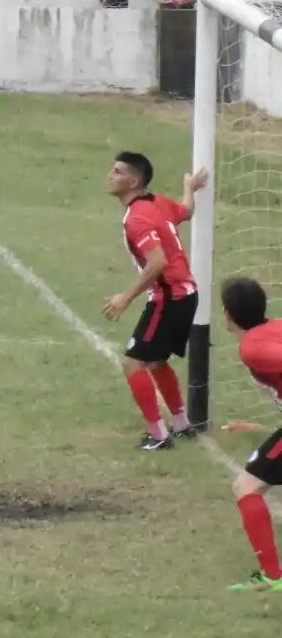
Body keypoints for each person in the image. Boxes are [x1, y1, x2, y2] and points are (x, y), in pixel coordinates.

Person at [103, 152, 207, 450]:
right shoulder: (157, 202)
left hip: (170, 297)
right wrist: (189, 187)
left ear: (133, 181)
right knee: (156, 361)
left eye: (117, 171)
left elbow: (157, 262)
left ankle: (159, 436)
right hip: (186, 294)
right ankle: (182, 425)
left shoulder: (137, 218)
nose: (110, 175)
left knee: (133, 363)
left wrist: (125, 298)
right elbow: (185, 211)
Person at [219, 276, 282, 592]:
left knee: (246, 487)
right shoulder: (277, 326)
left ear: (228, 315)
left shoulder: (252, 348)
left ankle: (273, 577)